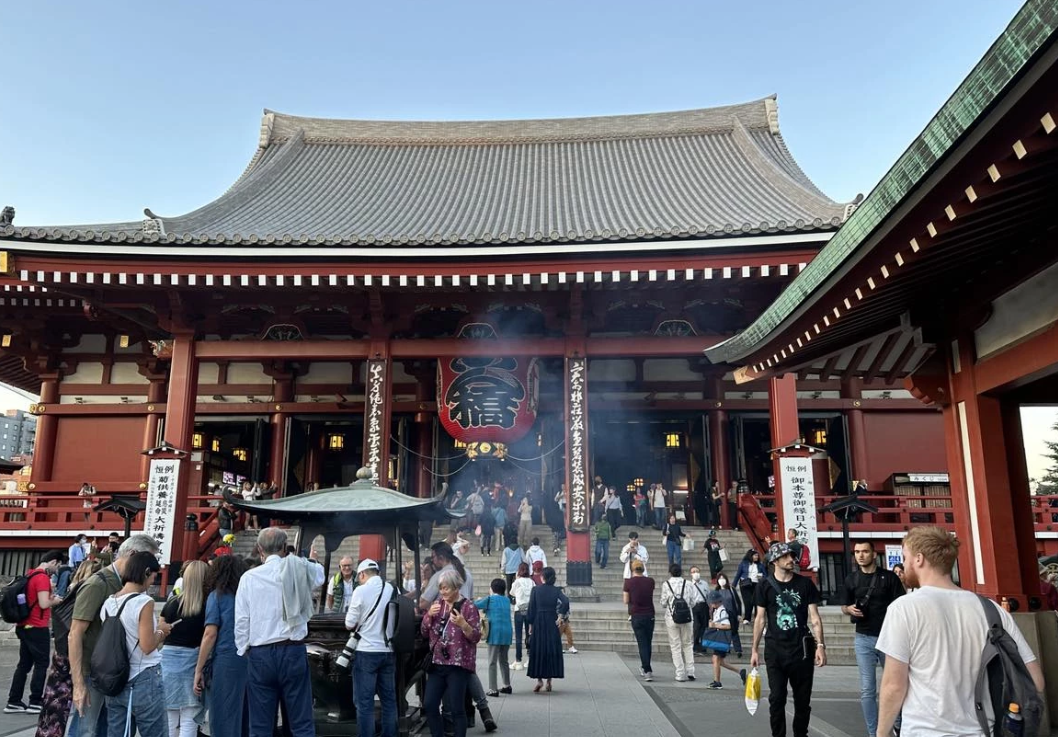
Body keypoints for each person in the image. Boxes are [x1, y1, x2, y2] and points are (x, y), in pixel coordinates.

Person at [876, 526, 1045, 737]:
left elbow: (894, 685)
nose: (904, 564)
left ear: (919, 559)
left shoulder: (904, 608)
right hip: (985, 731)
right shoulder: (992, 610)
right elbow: (1035, 680)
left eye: (905, 557)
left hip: (925, 731)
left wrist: (882, 733)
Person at [234, 527, 325, 737]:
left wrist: (244, 648)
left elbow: (241, 620)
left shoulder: (249, 577)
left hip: (261, 652)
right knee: (301, 721)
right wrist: (307, 559)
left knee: (260, 725)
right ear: (285, 548)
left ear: (259, 549)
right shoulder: (298, 568)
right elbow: (320, 575)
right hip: (292, 649)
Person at [69, 533, 160, 737]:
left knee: (107, 729)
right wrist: (78, 684)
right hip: (94, 670)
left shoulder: (129, 585)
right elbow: (74, 633)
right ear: (134, 555)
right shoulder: (98, 584)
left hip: (118, 671)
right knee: (86, 730)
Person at [751, 542, 827, 737]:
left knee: (803, 700)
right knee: (777, 698)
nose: (791, 560)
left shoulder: (805, 584)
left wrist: (820, 646)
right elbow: (760, 619)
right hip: (775, 649)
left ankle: (801, 734)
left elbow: (815, 617)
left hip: (801, 649)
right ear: (775, 560)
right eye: (786, 556)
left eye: (792, 556)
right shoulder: (764, 586)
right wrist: (754, 649)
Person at [101, 551, 172, 737]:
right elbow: (147, 646)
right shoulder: (144, 602)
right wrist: (161, 631)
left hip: (114, 677)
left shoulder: (108, 603)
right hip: (143, 676)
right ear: (146, 571)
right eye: (153, 576)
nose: (153, 582)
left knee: (118, 732)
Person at [841, 540, 905, 737]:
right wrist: (848, 609)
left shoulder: (889, 577)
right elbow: (844, 605)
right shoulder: (851, 579)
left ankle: (899, 725)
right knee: (868, 689)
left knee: (895, 685)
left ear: (874, 554)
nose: (860, 555)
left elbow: (901, 605)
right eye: (857, 552)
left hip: (889, 639)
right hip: (863, 638)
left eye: (865, 551)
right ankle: (874, 733)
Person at [35, 559, 103, 737]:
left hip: (61, 649)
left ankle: (47, 732)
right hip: (77, 650)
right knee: (82, 705)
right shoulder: (92, 590)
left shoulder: (72, 588)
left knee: (55, 699)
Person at [421, 569, 481, 737]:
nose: (443, 592)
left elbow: (476, 637)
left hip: (458, 664)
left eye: (446, 588)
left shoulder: (468, 607)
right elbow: (424, 632)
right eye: (441, 588)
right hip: (437, 663)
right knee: (430, 704)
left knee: (456, 708)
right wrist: (428, 617)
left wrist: (463, 624)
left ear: (456, 588)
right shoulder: (437, 605)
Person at [194, 555, 249, 737]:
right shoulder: (248, 595)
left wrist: (198, 669)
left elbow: (210, 634)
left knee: (224, 712)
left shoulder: (216, 596)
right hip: (252, 657)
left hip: (227, 658)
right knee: (247, 711)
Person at [5, 550, 65, 715]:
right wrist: (57, 600)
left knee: (23, 664)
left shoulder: (30, 574)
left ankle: (14, 701)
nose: (57, 569)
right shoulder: (42, 578)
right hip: (37, 627)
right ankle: (35, 701)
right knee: (41, 664)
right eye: (58, 565)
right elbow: (44, 603)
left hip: (23, 625)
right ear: (53, 562)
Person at [345, 559, 397, 737]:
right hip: (388, 651)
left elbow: (349, 623)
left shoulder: (361, 590)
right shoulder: (392, 589)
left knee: (364, 703)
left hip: (366, 651)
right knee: (389, 701)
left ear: (362, 574)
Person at [160, 560, 209, 737]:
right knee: (190, 715)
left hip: (168, 658)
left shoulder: (173, 602)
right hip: (194, 658)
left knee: (169, 713)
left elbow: (161, 629)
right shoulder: (207, 605)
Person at [526, 566, 569, 693]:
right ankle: (549, 680)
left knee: (539, 649)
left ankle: (539, 680)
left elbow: (531, 609)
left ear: (542, 577)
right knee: (550, 648)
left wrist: (530, 624)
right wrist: (561, 615)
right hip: (552, 620)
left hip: (539, 621)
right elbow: (565, 602)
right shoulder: (556, 590)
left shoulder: (536, 590)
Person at [658, 563, 700, 682]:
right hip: (687, 618)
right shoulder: (689, 584)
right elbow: (693, 602)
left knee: (675, 645)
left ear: (670, 572)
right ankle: (691, 670)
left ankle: (680, 673)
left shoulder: (666, 584)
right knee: (688, 644)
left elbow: (663, 603)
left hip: (672, 618)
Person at [474, 579, 513, 697]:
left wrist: (480, 600)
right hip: (507, 632)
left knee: (492, 661)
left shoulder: (489, 599)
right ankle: (507, 685)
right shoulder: (507, 600)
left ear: (492, 588)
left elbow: (474, 605)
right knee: (504, 660)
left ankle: (493, 688)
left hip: (495, 633)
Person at [704, 590, 745, 689]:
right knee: (720, 661)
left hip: (720, 639)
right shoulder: (717, 610)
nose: (711, 603)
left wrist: (714, 625)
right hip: (720, 639)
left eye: (713, 602)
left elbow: (727, 626)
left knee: (716, 659)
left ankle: (717, 682)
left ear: (717, 602)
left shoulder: (722, 611)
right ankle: (740, 672)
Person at [623, 560, 655, 682]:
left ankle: (647, 670)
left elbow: (626, 600)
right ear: (643, 569)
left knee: (642, 643)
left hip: (636, 614)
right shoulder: (650, 581)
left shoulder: (628, 582)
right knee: (648, 642)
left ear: (632, 569)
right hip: (650, 614)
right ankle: (646, 666)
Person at [510, 563, 534, 671]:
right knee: (529, 635)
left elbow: (512, 593)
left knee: (519, 637)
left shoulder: (517, 582)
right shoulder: (532, 582)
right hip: (529, 610)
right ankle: (529, 659)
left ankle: (518, 660)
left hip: (519, 610)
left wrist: (516, 578)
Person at [715, 573, 743, 657]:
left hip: (732, 613)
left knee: (734, 631)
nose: (721, 580)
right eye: (720, 578)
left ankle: (738, 650)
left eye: (723, 578)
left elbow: (738, 602)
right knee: (723, 632)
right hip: (721, 615)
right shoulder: (716, 591)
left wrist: (739, 614)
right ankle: (725, 649)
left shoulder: (731, 589)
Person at [733, 549, 764, 624]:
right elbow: (738, 574)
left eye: (757, 555)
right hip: (745, 584)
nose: (757, 557)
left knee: (757, 601)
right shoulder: (743, 563)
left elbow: (765, 575)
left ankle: (757, 618)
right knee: (748, 602)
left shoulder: (760, 565)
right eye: (755, 555)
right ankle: (747, 618)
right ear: (750, 555)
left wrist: (761, 576)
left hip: (756, 584)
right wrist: (734, 584)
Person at [688, 566, 710, 654]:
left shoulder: (704, 583)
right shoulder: (689, 585)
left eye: (697, 571)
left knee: (704, 626)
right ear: (691, 574)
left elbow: (708, 595)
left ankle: (702, 646)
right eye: (693, 572)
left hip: (704, 606)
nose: (695, 573)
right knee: (696, 626)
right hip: (694, 607)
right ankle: (695, 645)